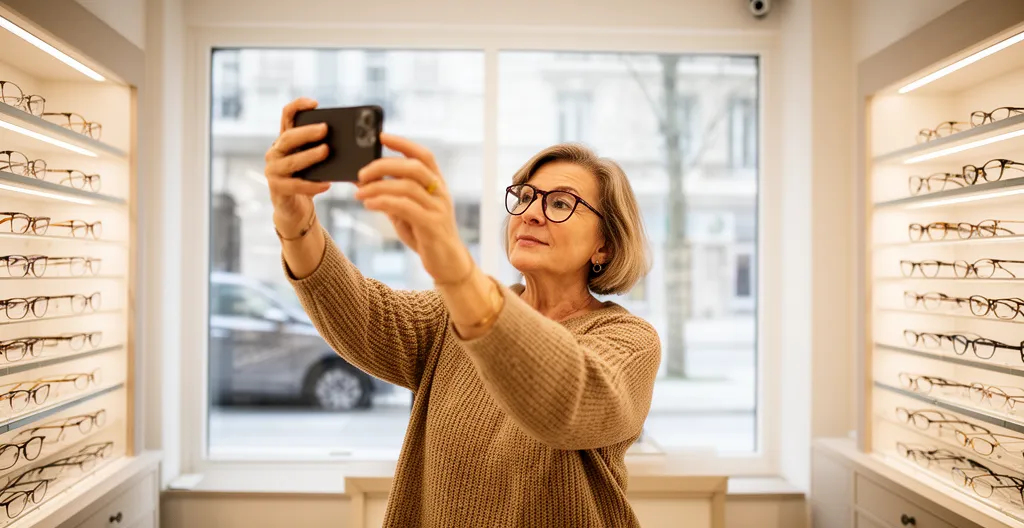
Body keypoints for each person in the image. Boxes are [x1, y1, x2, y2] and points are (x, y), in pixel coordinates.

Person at [265, 98, 662, 527]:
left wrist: (455, 268)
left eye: (561, 204)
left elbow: (568, 400)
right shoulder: (449, 317)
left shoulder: (629, 340)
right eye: (525, 197)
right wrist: (294, 219)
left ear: (604, 244)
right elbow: (359, 312)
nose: (529, 213)